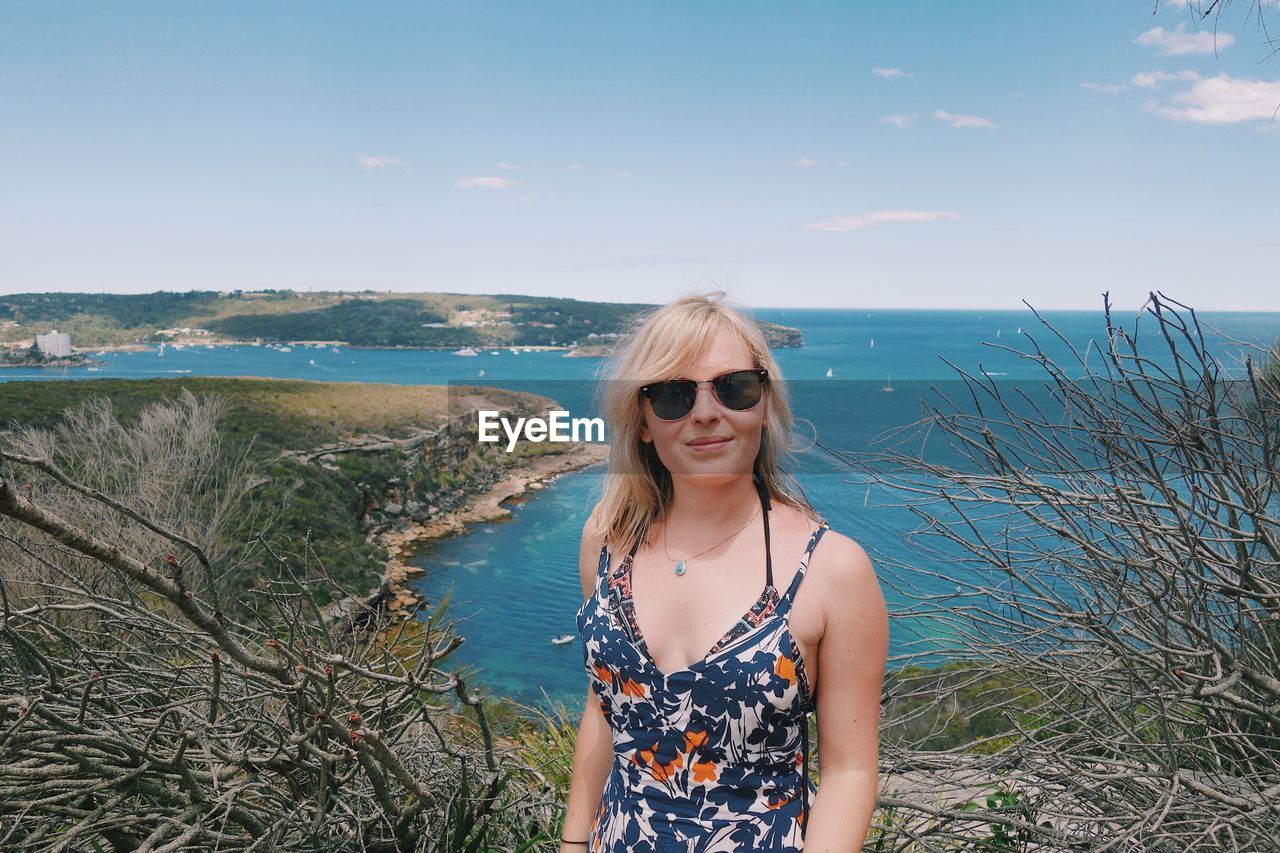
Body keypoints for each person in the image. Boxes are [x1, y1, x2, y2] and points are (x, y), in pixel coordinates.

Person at [561, 292, 888, 851]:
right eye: (672, 395)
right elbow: (604, 705)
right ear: (641, 419)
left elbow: (850, 774)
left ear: (763, 402)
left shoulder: (832, 570)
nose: (706, 414)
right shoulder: (608, 541)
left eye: (733, 387)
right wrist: (570, 844)